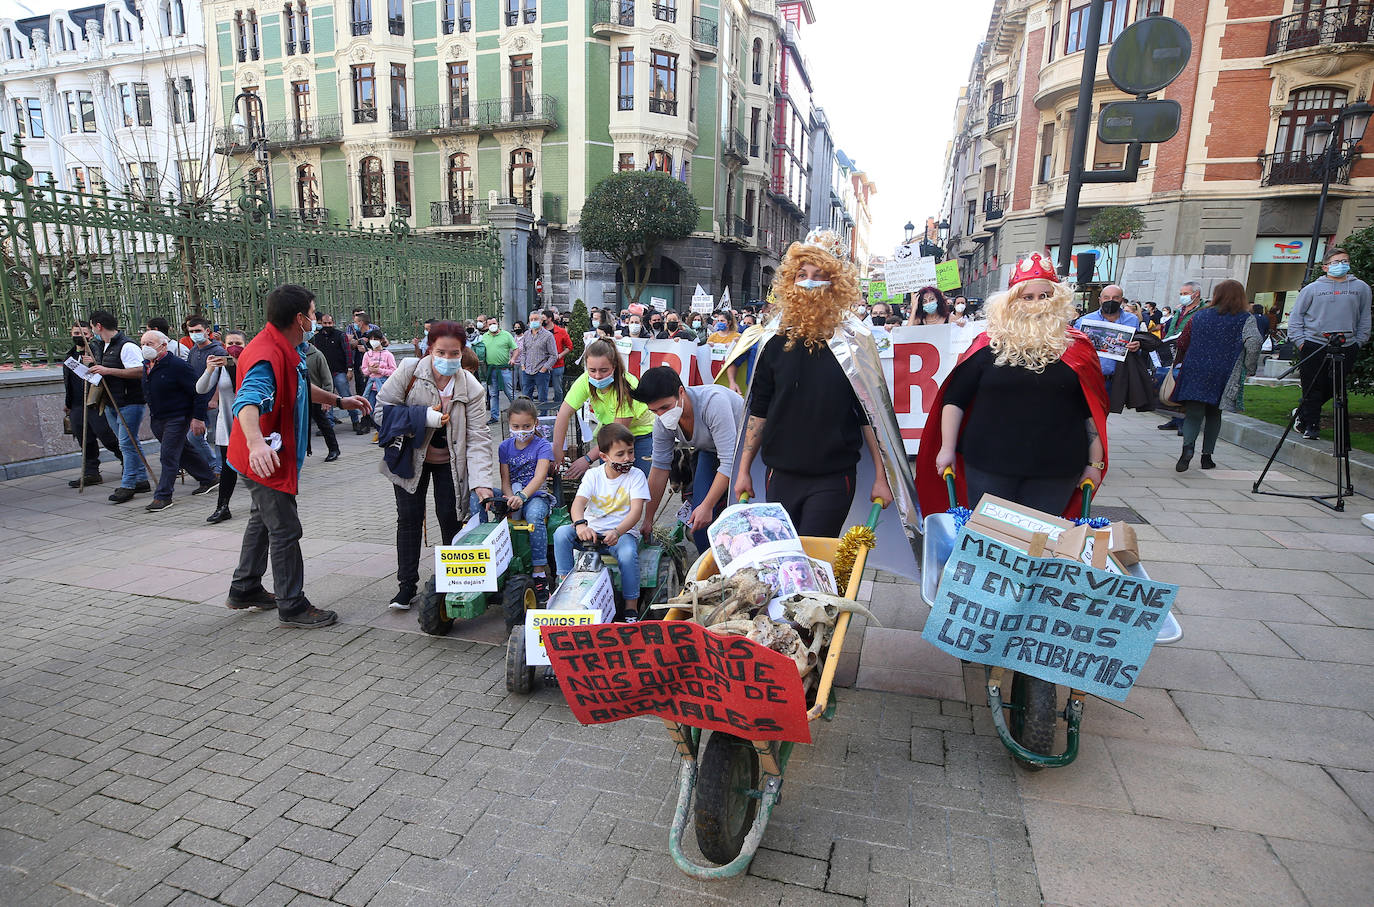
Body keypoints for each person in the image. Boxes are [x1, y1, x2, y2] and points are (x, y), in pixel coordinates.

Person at [916, 253, 1110, 518]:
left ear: (1058, 300)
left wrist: (1094, 463)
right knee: (987, 543)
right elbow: (955, 399)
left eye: (1044, 297)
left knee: (1039, 546)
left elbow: (1091, 411)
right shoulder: (986, 344)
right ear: (1011, 302)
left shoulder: (1078, 349)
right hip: (987, 465)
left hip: (1057, 469)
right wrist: (946, 448)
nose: (1036, 305)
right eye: (1027, 297)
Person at [226, 284, 372, 627]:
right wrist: (256, 443)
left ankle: (245, 586)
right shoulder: (266, 354)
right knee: (286, 529)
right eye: (312, 312)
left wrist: (338, 400)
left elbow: (300, 386)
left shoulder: (288, 346)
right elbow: (246, 401)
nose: (314, 317)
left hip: (266, 455)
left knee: (262, 520)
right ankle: (292, 604)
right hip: (265, 458)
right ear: (298, 318)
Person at [734, 229, 894, 537]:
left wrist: (882, 476)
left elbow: (869, 415)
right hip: (780, 474)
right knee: (785, 560)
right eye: (802, 274)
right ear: (790, 282)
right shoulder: (772, 341)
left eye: (819, 275)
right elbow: (760, 409)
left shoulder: (855, 341)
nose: (809, 282)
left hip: (832, 477)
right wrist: (742, 471)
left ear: (835, 284)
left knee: (813, 558)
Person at [376, 320, 496, 611]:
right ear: (430, 349)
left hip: (451, 465)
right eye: (441, 352)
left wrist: (481, 483)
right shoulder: (409, 371)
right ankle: (406, 587)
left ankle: (450, 586)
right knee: (408, 519)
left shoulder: (472, 388)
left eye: (454, 353)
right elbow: (381, 412)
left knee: (451, 519)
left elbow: (478, 439)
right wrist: (422, 418)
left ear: (462, 352)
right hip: (410, 459)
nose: (447, 359)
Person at [633, 366, 744, 554]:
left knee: (738, 517)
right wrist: (648, 519)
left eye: (665, 407)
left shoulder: (713, 403)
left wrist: (708, 506)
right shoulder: (662, 423)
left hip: (746, 451)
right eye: (654, 411)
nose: (661, 415)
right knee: (698, 523)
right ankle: (709, 573)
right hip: (710, 451)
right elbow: (660, 467)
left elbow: (729, 462)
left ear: (681, 392)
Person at [554, 423, 650, 621]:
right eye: (620, 454)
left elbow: (636, 512)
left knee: (627, 554)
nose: (627, 459)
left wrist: (617, 531)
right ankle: (563, 587)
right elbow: (578, 503)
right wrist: (581, 524)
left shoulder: (637, 476)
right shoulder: (593, 475)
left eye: (630, 453)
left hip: (620, 534)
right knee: (561, 534)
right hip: (591, 532)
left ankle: (631, 607)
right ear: (604, 457)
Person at [1173, 279, 1262, 471]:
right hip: (1224, 371)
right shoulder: (1245, 318)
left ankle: (1187, 450)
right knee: (1214, 413)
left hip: (1195, 369)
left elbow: (1182, 341)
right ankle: (1207, 457)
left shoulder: (1200, 315)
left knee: (1194, 414)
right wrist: (1249, 367)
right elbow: (1254, 342)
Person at [1288, 247, 1371, 441]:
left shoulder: (1360, 288)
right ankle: (1311, 425)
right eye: (1336, 262)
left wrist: (1359, 341)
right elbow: (1296, 316)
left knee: (1334, 386)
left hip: (1347, 344)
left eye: (1345, 261)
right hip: (1314, 343)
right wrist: (1300, 342)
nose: (1341, 265)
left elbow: (1364, 317)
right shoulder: (1313, 289)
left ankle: (1303, 410)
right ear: (1325, 267)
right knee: (1312, 385)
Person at [139, 330, 219, 512]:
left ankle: (163, 496)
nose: (145, 348)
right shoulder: (147, 365)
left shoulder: (177, 365)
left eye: (149, 343)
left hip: (177, 417)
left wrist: (198, 418)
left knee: (168, 455)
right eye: (142, 343)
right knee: (182, 450)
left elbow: (198, 392)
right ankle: (208, 477)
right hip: (158, 417)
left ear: (163, 345)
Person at [551, 338, 655, 479]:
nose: (597, 376)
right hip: (608, 434)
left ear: (614, 366)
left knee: (636, 484)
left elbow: (617, 433)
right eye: (592, 370)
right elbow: (563, 414)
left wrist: (587, 459)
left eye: (603, 370)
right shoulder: (585, 380)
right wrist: (558, 451)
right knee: (608, 484)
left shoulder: (627, 386)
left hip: (640, 435)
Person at [485, 399, 555, 594]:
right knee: (483, 498)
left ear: (535, 424)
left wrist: (522, 496)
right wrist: (509, 498)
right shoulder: (505, 447)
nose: (521, 430)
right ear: (509, 425)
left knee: (534, 517)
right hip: (512, 494)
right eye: (516, 426)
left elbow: (540, 476)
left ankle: (539, 571)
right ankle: (487, 557)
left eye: (526, 426)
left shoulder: (542, 446)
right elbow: (504, 479)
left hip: (536, 495)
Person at [86, 310, 152, 503]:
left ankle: (128, 484)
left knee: (126, 443)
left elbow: (140, 371)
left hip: (129, 401)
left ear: (98, 326)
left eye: (92, 327)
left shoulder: (127, 346)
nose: (92, 332)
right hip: (110, 401)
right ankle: (141, 479)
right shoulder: (102, 345)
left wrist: (108, 370)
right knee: (130, 443)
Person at [63, 320, 122, 487]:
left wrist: (93, 363)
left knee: (107, 436)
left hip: (95, 402)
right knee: (84, 439)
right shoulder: (70, 356)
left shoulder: (97, 351)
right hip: (76, 404)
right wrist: (68, 402)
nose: (79, 337)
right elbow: (68, 381)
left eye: (84, 334)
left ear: (90, 334)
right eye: (76, 333)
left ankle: (126, 460)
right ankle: (91, 472)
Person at [197, 330, 244, 523]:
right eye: (230, 343)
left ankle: (262, 502)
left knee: (254, 465)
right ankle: (222, 506)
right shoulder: (220, 364)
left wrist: (233, 364)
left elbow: (242, 382)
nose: (234, 346)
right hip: (227, 422)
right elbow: (201, 389)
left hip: (250, 422)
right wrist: (209, 369)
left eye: (238, 343)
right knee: (227, 466)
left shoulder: (251, 361)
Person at [1073, 285, 1141, 397]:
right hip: (1088, 378)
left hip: (1114, 380)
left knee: (1104, 413)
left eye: (1115, 298)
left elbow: (1138, 345)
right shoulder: (1085, 320)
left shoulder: (1132, 320)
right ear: (1100, 300)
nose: (1110, 301)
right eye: (1106, 297)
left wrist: (1137, 345)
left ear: (1121, 300)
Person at [1157, 281, 1207, 433]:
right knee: (1173, 383)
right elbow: (1173, 327)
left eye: (1185, 294)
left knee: (1186, 385)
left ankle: (1184, 421)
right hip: (1174, 348)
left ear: (1196, 294)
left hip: (1191, 352)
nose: (1182, 297)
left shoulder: (1203, 311)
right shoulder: (1180, 310)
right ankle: (1175, 417)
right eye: (1181, 294)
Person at [183, 316, 224, 474]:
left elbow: (223, 378)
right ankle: (212, 463)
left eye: (198, 331)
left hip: (214, 402)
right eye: (191, 331)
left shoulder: (218, 351)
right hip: (198, 402)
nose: (194, 334)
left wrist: (215, 399)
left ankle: (220, 468)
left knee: (218, 436)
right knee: (194, 436)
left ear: (207, 331)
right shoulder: (193, 351)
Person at [312, 313, 355, 430]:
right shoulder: (317, 337)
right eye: (325, 323)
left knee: (345, 395)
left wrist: (349, 369)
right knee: (326, 398)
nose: (327, 325)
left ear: (333, 323)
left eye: (329, 323)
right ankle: (329, 425)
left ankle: (355, 420)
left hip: (339, 371)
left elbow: (347, 352)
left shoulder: (340, 335)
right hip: (325, 374)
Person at [304, 339, 342, 462]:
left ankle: (333, 449)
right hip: (300, 397)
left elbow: (327, 379)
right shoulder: (293, 354)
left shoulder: (317, 355)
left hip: (317, 397)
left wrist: (327, 399)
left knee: (324, 424)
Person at [479, 318, 517, 425]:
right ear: (487, 325)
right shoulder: (484, 337)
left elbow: (516, 349)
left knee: (510, 392)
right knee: (493, 394)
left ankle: (518, 412)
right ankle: (494, 416)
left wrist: (513, 359)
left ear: (498, 324)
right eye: (490, 324)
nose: (492, 325)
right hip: (491, 370)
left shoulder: (506, 335)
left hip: (504, 369)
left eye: (494, 323)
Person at [516, 313, 559, 405]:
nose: (533, 321)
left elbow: (554, 355)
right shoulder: (526, 334)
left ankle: (543, 417)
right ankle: (528, 417)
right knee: (526, 399)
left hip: (541, 372)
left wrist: (544, 369)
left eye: (535, 319)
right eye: (531, 319)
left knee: (542, 399)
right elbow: (524, 352)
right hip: (527, 371)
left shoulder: (548, 336)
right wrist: (523, 366)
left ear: (541, 320)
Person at [360, 329, 396, 416]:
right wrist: (370, 370)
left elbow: (394, 371)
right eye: (371, 339)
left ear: (380, 340)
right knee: (370, 408)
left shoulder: (388, 355)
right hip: (372, 387)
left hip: (384, 386)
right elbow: (364, 370)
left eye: (376, 339)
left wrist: (379, 370)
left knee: (385, 409)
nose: (373, 341)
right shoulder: (367, 354)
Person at [707, 311, 744, 394]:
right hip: (715, 370)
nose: (720, 323)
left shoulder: (737, 336)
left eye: (722, 321)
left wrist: (735, 344)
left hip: (732, 372)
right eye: (718, 321)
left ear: (729, 323)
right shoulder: (713, 337)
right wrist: (708, 346)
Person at [346, 310, 378, 397]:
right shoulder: (354, 331)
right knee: (360, 387)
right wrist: (358, 341)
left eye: (356, 323)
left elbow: (382, 346)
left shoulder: (374, 331)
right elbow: (348, 343)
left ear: (361, 322)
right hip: (359, 362)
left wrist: (367, 349)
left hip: (373, 365)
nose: (355, 325)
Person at [546, 308, 573, 404]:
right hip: (543, 364)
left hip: (557, 364)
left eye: (543, 319)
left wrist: (560, 355)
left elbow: (570, 346)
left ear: (549, 319)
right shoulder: (540, 331)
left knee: (558, 389)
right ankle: (543, 409)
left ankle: (558, 408)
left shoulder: (561, 331)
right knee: (543, 389)